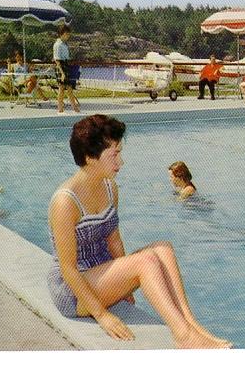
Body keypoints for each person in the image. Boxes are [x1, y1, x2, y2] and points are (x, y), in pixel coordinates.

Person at [47, 114, 230, 348]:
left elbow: (113, 240)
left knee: (163, 248)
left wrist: (123, 282)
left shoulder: (110, 187)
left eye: (120, 153)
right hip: (73, 292)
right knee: (145, 261)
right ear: (90, 157)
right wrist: (102, 316)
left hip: (101, 274)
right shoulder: (65, 202)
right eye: (114, 154)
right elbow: (68, 268)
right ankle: (184, 337)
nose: (120, 162)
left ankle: (191, 325)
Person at [53, 25, 80, 114]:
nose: (68, 36)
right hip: (60, 66)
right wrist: (62, 73)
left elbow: (66, 57)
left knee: (69, 88)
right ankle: (60, 109)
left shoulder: (64, 44)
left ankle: (75, 108)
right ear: (61, 34)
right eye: (66, 34)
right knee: (61, 88)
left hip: (65, 65)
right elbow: (57, 60)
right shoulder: (58, 44)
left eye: (68, 34)